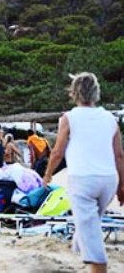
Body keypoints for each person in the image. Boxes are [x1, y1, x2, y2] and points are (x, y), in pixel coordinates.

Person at [44, 73, 124, 273]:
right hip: (108, 180)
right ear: (96, 93)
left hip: (82, 179)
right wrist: (122, 185)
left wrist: (48, 174)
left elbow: (57, 152)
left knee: (90, 231)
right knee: (90, 221)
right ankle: (81, 244)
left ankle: (98, 266)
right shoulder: (110, 118)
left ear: (74, 93)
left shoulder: (69, 118)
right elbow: (119, 155)